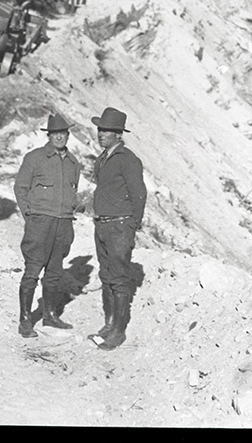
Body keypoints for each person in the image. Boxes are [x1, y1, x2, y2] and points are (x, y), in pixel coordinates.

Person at [13, 114, 83, 338]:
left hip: (63, 223)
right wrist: (30, 217)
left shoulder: (74, 164)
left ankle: (50, 314)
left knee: (55, 271)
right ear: (49, 136)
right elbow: (20, 188)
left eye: (63, 133)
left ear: (68, 136)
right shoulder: (35, 158)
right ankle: (25, 320)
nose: (59, 137)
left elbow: (73, 191)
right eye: (55, 133)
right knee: (33, 270)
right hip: (40, 222)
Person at [87, 107, 147, 350]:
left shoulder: (128, 159)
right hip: (102, 224)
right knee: (107, 274)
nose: (101, 134)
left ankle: (118, 332)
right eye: (100, 129)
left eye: (107, 130)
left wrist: (132, 223)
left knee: (120, 278)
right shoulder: (103, 157)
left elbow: (139, 194)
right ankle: (109, 324)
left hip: (120, 226)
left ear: (118, 134)